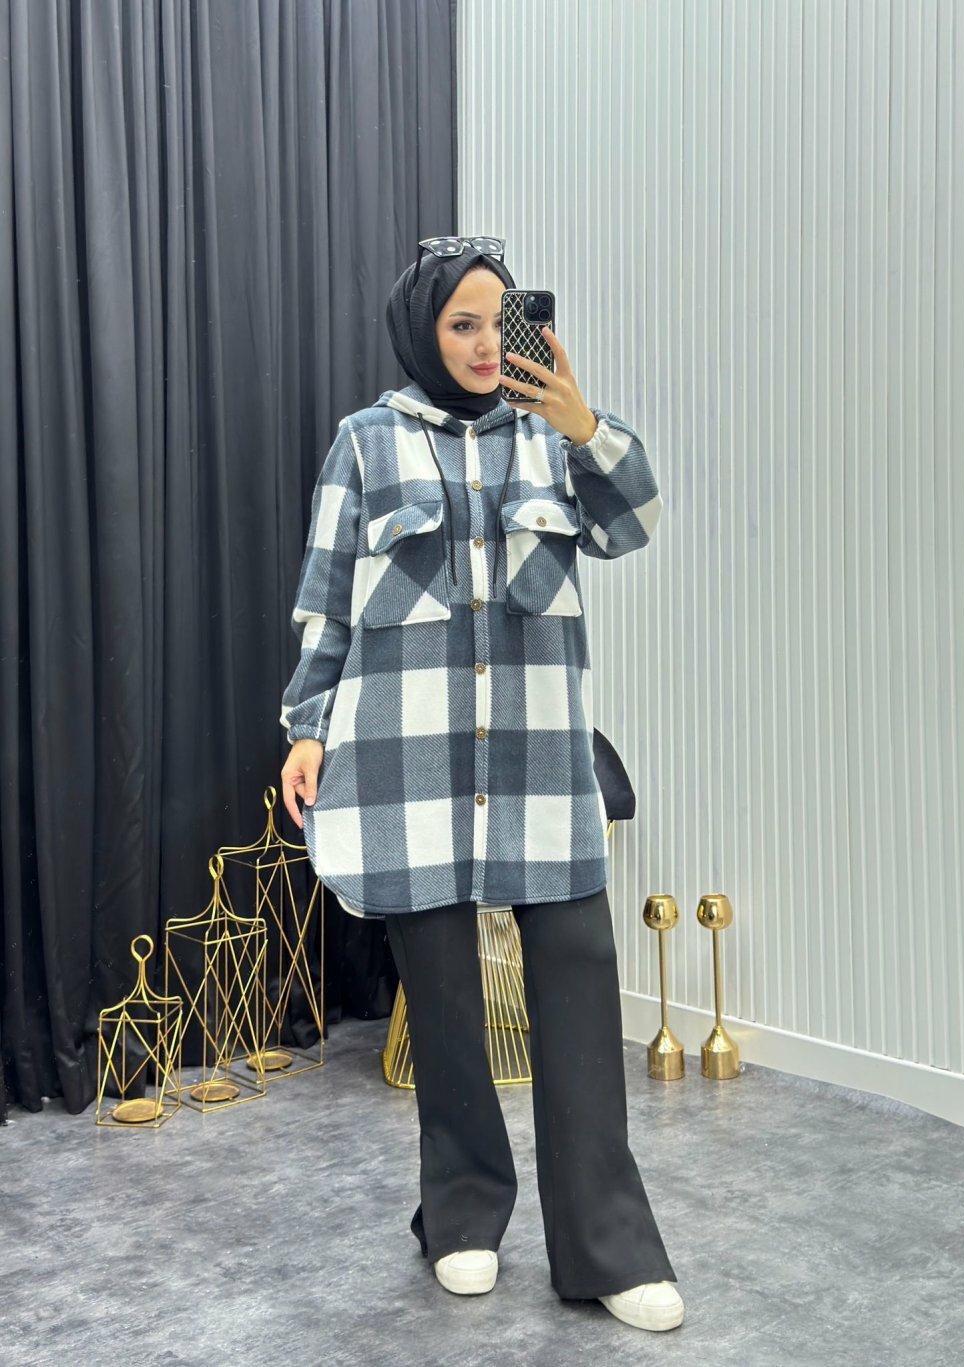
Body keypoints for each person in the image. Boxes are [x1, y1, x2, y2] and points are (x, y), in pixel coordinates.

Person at [279, 237, 683, 1333]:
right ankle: (461, 1213)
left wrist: (583, 423)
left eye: (497, 323)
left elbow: (635, 522)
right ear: (423, 331)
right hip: (406, 763)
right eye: (461, 324)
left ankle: (607, 1244)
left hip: (537, 763)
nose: (481, 345)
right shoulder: (366, 443)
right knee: (447, 1001)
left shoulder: (553, 438)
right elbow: (327, 600)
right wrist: (306, 727)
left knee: (578, 987)